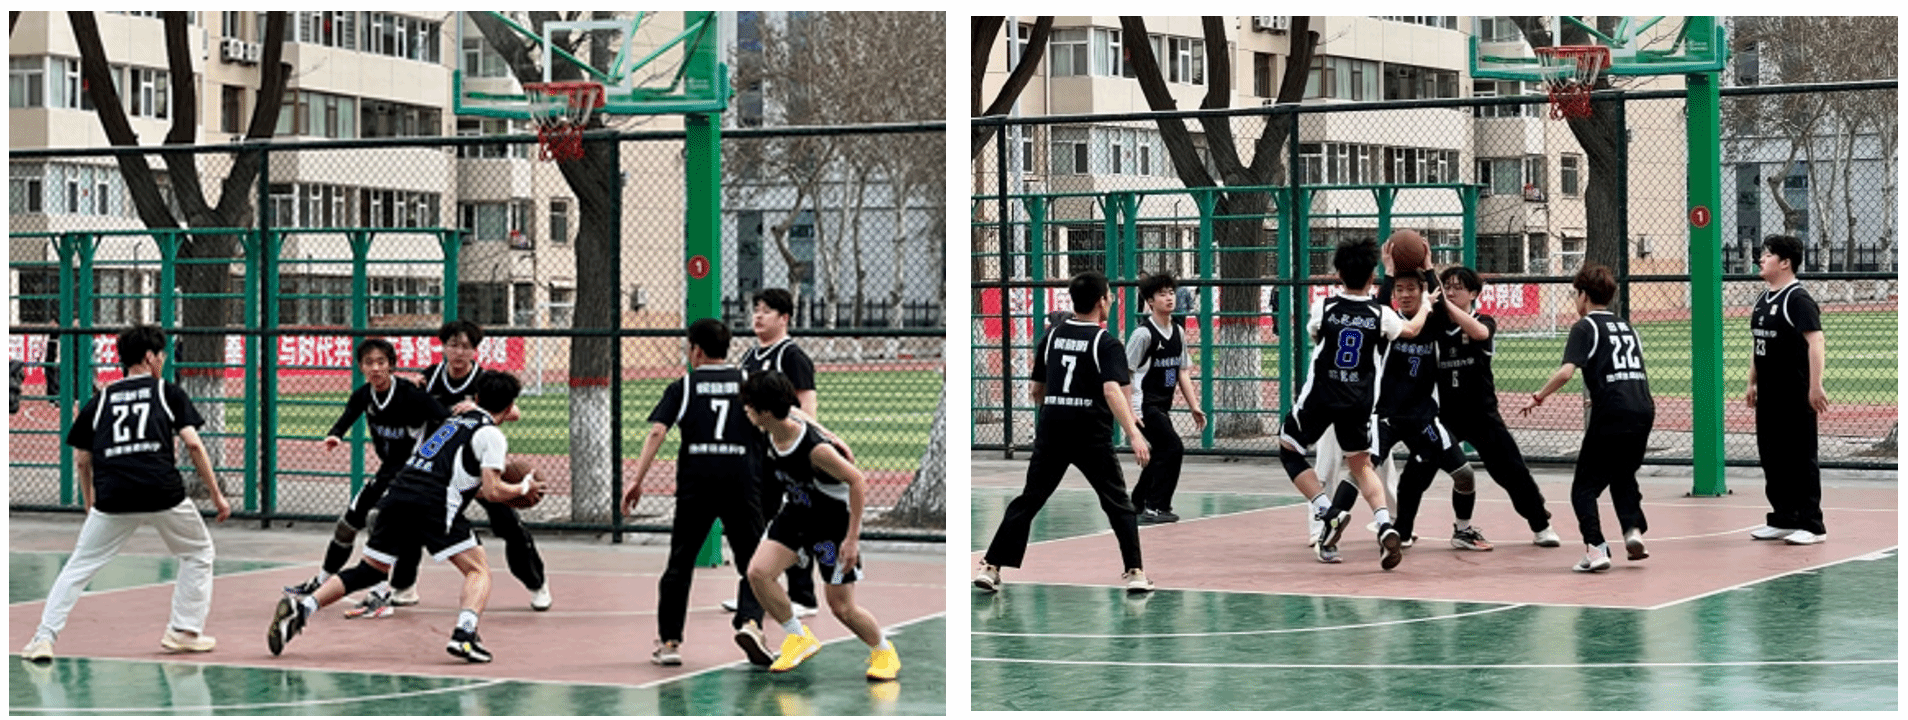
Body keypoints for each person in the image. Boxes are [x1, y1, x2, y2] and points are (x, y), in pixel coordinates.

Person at [270, 371, 539, 663]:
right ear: (509, 406)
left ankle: (303, 608)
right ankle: (464, 635)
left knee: (369, 571)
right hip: (433, 502)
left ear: (476, 397)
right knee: (478, 571)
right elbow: (493, 489)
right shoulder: (491, 435)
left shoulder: (452, 422)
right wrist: (523, 488)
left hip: (399, 493)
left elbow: (473, 485)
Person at [20, 325, 233, 662]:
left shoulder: (101, 400)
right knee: (198, 552)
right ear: (149, 357)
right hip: (162, 492)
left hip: (114, 495)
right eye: (161, 355)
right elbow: (193, 444)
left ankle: (43, 638)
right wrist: (217, 495)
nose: (163, 360)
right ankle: (183, 630)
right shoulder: (167, 393)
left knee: (78, 567)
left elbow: (82, 460)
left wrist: (90, 504)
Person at [975, 271, 1154, 593]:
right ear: (1101, 301)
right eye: (1109, 295)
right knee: (1117, 503)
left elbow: (1036, 390)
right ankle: (1135, 571)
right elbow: (1112, 390)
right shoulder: (1106, 343)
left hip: (1053, 429)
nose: (1112, 300)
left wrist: (1057, 405)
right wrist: (1133, 433)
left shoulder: (1052, 337)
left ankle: (991, 566)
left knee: (1030, 499)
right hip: (1090, 433)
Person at [352, 320, 546, 617]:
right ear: (443, 347)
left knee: (507, 523)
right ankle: (404, 586)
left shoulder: (483, 381)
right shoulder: (429, 377)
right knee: (410, 524)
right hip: (437, 469)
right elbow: (406, 402)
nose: (458, 352)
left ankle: (536, 584)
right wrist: (411, 389)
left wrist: (476, 408)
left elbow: (513, 411)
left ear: (475, 351)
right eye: (453, 345)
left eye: (466, 347)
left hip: (475, 467)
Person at [624, 318, 775, 667]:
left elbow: (657, 432)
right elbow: (778, 422)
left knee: (680, 563)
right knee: (753, 562)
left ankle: (670, 642)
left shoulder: (685, 386)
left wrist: (637, 480)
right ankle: (751, 623)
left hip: (697, 485)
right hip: (742, 483)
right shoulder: (749, 383)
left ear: (696, 350)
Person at [738, 371, 900, 681]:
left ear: (766, 411)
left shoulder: (816, 451)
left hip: (831, 528)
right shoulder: (775, 427)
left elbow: (857, 481)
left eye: (750, 405)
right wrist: (829, 431)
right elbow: (795, 409)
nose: (746, 410)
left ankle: (883, 651)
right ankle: (798, 637)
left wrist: (852, 540)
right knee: (758, 572)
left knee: (842, 608)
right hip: (796, 516)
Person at [1280, 237, 1428, 569]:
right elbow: (1411, 330)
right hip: (1359, 401)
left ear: (1338, 273)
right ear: (1372, 275)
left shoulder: (1324, 307)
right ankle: (1385, 524)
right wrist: (1427, 307)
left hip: (1322, 395)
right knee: (1361, 465)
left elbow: (1317, 335)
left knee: (1289, 449)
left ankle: (1327, 511)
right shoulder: (1381, 314)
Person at [1399, 265, 1562, 549]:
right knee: (1416, 472)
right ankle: (1402, 532)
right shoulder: (1434, 324)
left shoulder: (1483, 321)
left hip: (1481, 415)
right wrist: (1424, 271)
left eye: (1458, 287)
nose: (1450, 292)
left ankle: (1541, 526)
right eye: (1447, 287)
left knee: (1512, 471)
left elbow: (1479, 334)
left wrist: (1444, 303)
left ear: (1473, 293)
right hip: (1443, 417)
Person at [282, 339, 450, 606]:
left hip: (411, 475)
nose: (375, 368)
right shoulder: (364, 395)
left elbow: (447, 421)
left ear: (391, 365)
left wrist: (431, 455)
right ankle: (323, 580)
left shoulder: (412, 395)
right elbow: (348, 415)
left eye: (381, 362)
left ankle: (380, 591)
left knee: (378, 521)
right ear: (361, 367)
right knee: (347, 525)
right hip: (388, 470)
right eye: (369, 363)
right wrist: (335, 435)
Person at [1522, 264, 1655, 573]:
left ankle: (1596, 549)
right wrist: (1603, 394)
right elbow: (1628, 371)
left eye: (1575, 294)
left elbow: (1566, 372)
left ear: (1583, 295)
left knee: (1583, 487)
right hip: (1642, 408)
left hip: (1612, 412)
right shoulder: (1627, 327)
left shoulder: (1584, 327)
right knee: (1623, 475)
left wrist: (1539, 396)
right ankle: (1633, 531)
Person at [1368, 248, 1485, 557]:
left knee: (1464, 474)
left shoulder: (1432, 324)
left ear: (1422, 293)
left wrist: (1429, 267)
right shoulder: (1389, 323)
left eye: (1412, 289)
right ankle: (1334, 524)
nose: (1405, 294)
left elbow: (1443, 304)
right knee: (1362, 471)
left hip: (1423, 418)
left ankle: (1462, 530)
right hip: (1387, 416)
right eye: (1400, 290)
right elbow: (1380, 306)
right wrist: (1388, 272)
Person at [730, 288, 821, 618]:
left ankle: (803, 596)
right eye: (755, 309)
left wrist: (797, 446)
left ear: (784, 318)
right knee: (754, 521)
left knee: (794, 520)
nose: (758, 316)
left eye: (766, 311)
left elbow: (807, 406)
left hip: (784, 452)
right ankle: (754, 590)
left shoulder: (791, 356)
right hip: (755, 453)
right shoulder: (749, 357)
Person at [1745, 234, 1829, 545]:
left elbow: (1815, 341)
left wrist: (1815, 386)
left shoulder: (1798, 300)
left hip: (1794, 393)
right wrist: (1752, 381)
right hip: (1768, 394)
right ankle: (1784, 518)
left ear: (1785, 263)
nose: (1761, 259)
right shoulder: (1763, 299)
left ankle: (1812, 524)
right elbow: (1758, 344)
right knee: (1772, 457)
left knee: (1800, 459)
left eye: (1767, 255)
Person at [1125, 271, 1205, 523]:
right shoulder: (1143, 334)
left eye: (1171, 292)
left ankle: (1137, 503)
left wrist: (1194, 406)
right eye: (1162, 294)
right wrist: (1129, 412)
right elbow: (1125, 374)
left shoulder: (1178, 332)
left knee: (1162, 450)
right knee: (1172, 448)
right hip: (1143, 404)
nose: (1169, 298)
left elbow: (1181, 371)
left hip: (1161, 404)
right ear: (1150, 301)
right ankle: (1156, 506)